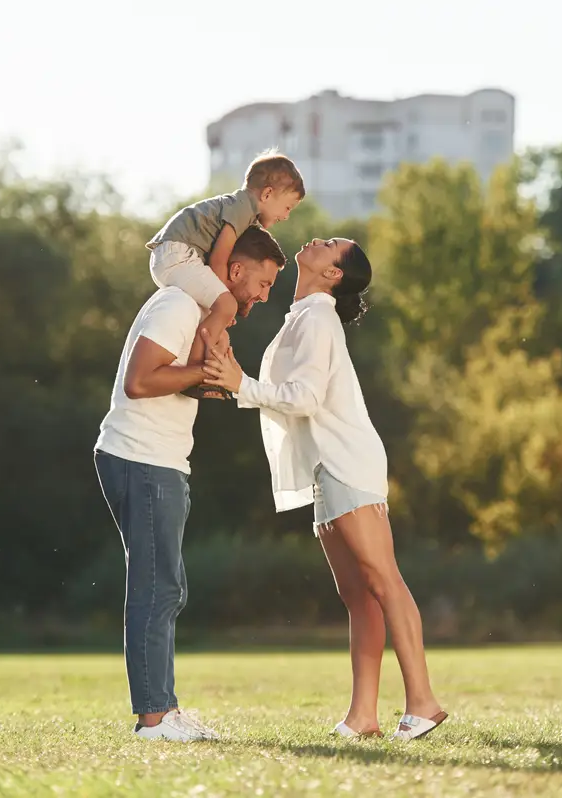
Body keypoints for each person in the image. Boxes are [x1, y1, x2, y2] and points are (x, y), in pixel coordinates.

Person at [200, 237, 448, 742]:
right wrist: (234, 378)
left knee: (383, 580)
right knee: (359, 595)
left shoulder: (317, 318)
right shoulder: (302, 318)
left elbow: (305, 398)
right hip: (326, 467)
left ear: (334, 274)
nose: (318, 239)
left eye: (332, 245)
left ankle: (423, 702)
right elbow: (287, 395)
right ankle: (363, 717)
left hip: (346, 461)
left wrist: (240, 384)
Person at [95, 226, 286, 741]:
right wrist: (200, 370)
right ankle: (153, 719)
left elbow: (176, 380)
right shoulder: (178, 304)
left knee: (167, 587)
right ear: (237, 270)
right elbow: (139, 381)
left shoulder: (201, 315)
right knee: (156, 588)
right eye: (263, 284)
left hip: (160, 460)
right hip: (142, 457)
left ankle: (166, 709)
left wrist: (214, 382)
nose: (263, 297)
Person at [145, 149, 304, 398]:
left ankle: (210, 376)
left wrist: (220, 307)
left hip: (175, 257)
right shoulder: (241, 207)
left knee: (220, 324)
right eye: (287, 207)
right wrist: (223, 301)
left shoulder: (245, 214)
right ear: (267, 193)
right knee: (224, 307)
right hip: (176, 254)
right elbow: (220, 257)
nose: (286, 216)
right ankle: (194, 375)